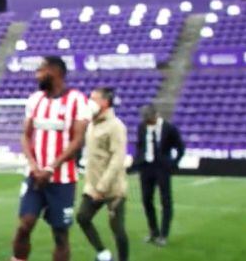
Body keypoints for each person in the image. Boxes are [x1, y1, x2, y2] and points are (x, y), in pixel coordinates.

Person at [12, 56, 90, 261]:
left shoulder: (77, 100)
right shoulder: (35, 99)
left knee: (60, 235)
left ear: (55, 71)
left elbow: (78, 140)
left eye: (41, 70)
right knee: (25, 224)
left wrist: (51, 168)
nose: (37, 75)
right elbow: (25, 135)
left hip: (62, 180)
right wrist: (34, 166)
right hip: (35, 176)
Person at [77, 87, 129, 261]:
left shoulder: (116, 126)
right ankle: (103, 253)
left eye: (94, 99)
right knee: (83, 217)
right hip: (92, 186)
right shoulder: (91, 124)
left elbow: (117, 159)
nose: (89, 102)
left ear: (105, 102)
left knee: (117, 228)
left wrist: (102, 187)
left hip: (112, 188)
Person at [131, 103, 184, 247]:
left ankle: (164, 235)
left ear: (156, 115)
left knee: (165, 201)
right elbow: (140, 146)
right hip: (146, 168)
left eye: (148, 118)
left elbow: (180, 147)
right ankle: (153, 231)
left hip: (162, 168)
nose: (146, 121)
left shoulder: (169, 128)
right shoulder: (142, 127)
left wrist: (173, 163)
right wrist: (136, 163)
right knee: (146, 200)